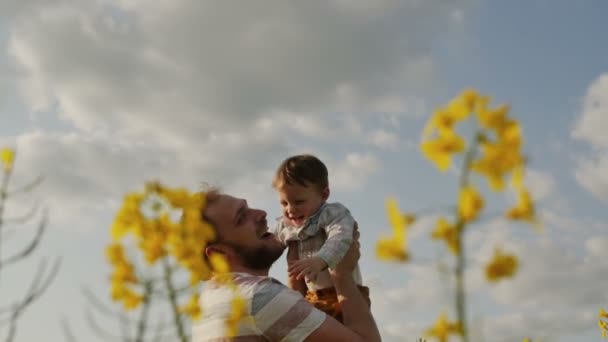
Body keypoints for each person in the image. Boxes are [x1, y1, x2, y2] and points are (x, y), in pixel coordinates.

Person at [192, 189, 381, 342]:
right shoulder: (259, 297)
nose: (261, 214)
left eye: (248, 207)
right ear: (219, 254)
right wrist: (342, 275)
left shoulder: (210, 303)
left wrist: (295, 278)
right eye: (241, 218)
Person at [271, 154, 368, 322]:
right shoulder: (287, 224)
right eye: (284, 203)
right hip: (313, 296)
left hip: (345, 294)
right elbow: (269, 246)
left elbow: (340, 238)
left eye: (299, 201)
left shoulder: (332, 214)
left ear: (324, 195)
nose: (291, 210)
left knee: (349, 333)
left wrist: (320, 260)